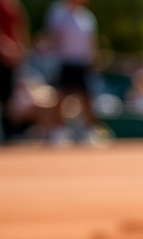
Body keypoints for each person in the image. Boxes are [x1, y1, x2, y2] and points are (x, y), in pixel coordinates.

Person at [46, 0, 99, 138]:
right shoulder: (58, 13)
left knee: (87, 97)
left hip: (83, 63)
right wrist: (53, 60)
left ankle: (89, 130)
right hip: (64, 62)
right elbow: (54, 37)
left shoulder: (88, 17)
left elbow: (91, 42)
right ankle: (57, 131)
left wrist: (93, 60)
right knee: (61, 95)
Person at [0, 0, 28, 142]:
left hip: (10, 59)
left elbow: (19, 30)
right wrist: (5, 50)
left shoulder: (14, 8)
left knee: (8, 94)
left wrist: (19, 50)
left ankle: (8, 132)